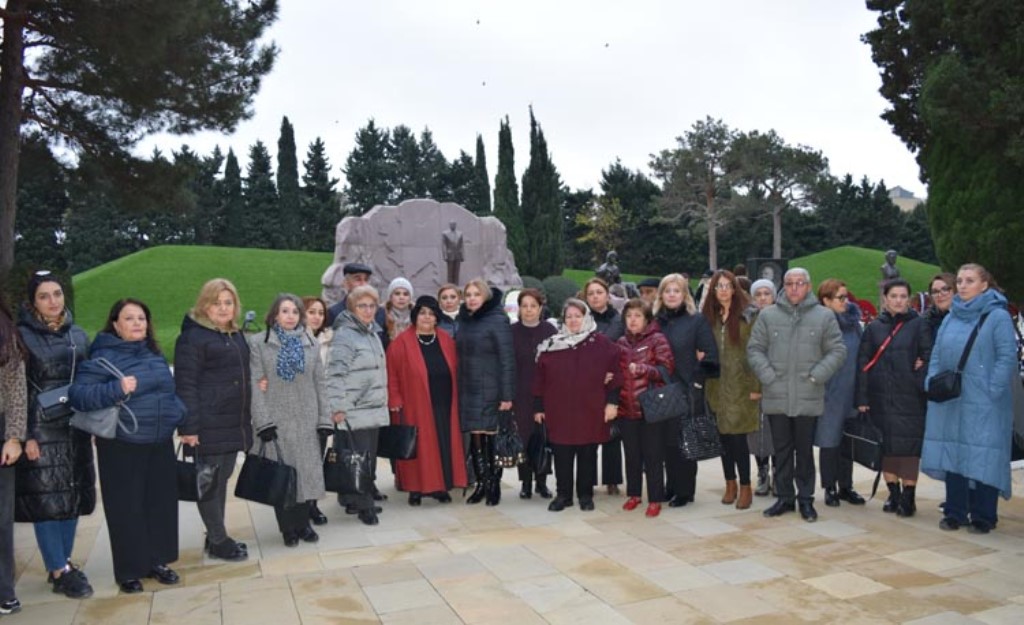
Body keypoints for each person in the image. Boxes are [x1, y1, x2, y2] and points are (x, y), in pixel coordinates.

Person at [69, 299, 185, 593]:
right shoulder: (102, 357)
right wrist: (115, 389)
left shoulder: (154, 355)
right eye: (129, 318)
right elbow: (79, 396)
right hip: (123, 444)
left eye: (142, 318)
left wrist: (178, 413)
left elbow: (169, 391)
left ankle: (157, 561)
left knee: (159, 506)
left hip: (158, 442)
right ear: (116, 325)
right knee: (126, 508)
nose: (137, 323)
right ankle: (129, 570)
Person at [15, 272, 96, 597]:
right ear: (32, 302)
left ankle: (63, 560)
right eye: (44, 296)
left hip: (73, 424)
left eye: (57, 294)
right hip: (40, 427)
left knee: (71, 494)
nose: (53, 301)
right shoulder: (21, 336)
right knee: (47, 499)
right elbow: (16, 389)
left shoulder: (77, 333)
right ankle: (58, 568)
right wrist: (25, 435)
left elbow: (88, 378)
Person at [922, 264, 1017, 534]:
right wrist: (932, 380)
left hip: (985, 401)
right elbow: (938, 354)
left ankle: (984, 515)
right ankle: (955, 511)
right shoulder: (952, 316)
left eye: (970, 281)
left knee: (984, 455)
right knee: (954, 452)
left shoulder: (997, 316)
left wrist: (992, 390)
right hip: (953, 398)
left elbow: (1006, 358)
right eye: (960, 281)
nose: (962, 285)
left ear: (984, 285)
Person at [747, 268, 845, 523]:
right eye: (789, 283)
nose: (793, 288)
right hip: (777, 395)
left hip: (808, 396)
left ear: (808, 286)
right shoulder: (768, 316)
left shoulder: (824, 316)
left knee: (804, 451)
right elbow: (755, 349)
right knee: (781, 450)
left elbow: (837, 350)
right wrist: (768, 377)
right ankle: (784, 497)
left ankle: (806, 499)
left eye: (799, 283)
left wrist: (816, 376)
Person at [174, 279, 251, 562]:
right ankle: (218, 539)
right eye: (216, 303)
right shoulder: (193, 338)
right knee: (209, 483)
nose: (222, 308)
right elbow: (185, 384)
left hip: (233, 422)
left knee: (220, 480)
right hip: (208, 424)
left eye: (228, 303)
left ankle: (216, 534)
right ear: (204, 305)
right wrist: (189, 428)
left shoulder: (234, 334)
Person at [249, 294, 332, 545]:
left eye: (295, 312)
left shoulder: (311, 343)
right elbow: (255, 383)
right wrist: (263, 422)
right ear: (275, 314)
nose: (290, 316)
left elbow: (319, 381)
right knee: (283, 474)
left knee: (306, 474)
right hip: (277, 418)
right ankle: (287, 528)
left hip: (307, 416)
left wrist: (324, 418)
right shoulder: (259, 343)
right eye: (285, 311)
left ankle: (303, 523)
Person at [534, 299, 622, 511]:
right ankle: (563, 495)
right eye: (569, 316)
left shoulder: (602, 344)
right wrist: (538, 406)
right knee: (562, 454)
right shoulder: (550, 345)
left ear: (586, 317)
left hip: (590, 408)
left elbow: (616, 374)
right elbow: (539, 379)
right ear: (563, 319)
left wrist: (612, 403)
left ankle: (585, 495)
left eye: (578, 315)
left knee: (587, 453)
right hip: (558, 409)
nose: (573, 320)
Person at [856, 278, 932, 517]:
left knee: (908, 448)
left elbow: (929, 356)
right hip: (880, 397)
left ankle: (908, 496)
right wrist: (862, 397)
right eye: (894, 296)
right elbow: (863, 364)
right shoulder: (873, 328)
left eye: (903, 296)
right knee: (887, 447)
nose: (899, 301)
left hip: (910, 397)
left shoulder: (919, 325)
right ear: (885, 299)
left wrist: (918, 373)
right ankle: (893, 492)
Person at [387, 296, 466, 505]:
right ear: (415, 316)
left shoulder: (446, 341)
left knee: (442, 444)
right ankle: (416, 488)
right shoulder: (401, 343)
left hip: (444, 402)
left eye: (431, 313)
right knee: (419, 446)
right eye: (422, 313)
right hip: (415, 403)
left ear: (437, 318)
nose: (427, 317)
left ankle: (440, 486)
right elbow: (391, 374)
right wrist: (394, 398)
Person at [654, 273, 719, 507]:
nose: (672, 295)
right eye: (667, 291)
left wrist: (696, 382)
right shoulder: (654, 322)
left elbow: (710, 356)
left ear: (685, 295)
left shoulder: (696, 320)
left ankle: (685, 490)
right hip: (659, 390)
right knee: (666, 443)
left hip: (685, 388)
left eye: (676, 291)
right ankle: (670, 486)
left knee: (684, 442)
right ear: (661, 295)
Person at [326, 285, 390, 525]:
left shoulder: (372, 332)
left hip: (372, 405)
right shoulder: (345, 335)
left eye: (372, 306)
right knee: (360, 458)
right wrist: (338, 406)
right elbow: (335, 373)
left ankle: (350, 498)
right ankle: (365, 506)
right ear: (352, 308)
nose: (367, 310)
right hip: (355, 407)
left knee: (366, 457)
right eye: (362, 306)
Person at [702, 270, 760, 510]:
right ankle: (730, 483)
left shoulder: (748, 317)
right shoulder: (708, 318)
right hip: (716, 385)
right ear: (713, 291)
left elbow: (757, 353)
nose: (723, 290)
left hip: (741, 385)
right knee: (723, 437)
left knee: (738, 439)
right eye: (719, 286)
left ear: (735, 289)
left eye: (727, 286)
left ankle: (746, 486)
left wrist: (757, 386)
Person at [456, 278, 515, 506]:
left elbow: (507, 360)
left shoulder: (497, 320)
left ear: (485, 297)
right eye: (468, 294)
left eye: (476, 294)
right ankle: (481, 483)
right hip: (468, 388)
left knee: (490, 439)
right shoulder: (466, 320)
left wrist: (507, 395)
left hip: (491, 389)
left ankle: (493, 485)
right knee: (476, 437)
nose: (471, 298)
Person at [616, 298, 674, 517]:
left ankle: (655, 498)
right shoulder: (620, 342)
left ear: (647, 319)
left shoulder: (657, 339)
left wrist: (642, 369)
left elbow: (666, 370)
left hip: (650, 408)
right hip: (626, 408)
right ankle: (634, 495)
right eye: (629, 316)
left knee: (653, 456)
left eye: (638, 316)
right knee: (631, 455)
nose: (633, 320)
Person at [816, 279, 866, 507]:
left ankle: (846, 486)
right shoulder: (819, 326)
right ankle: (829, 487)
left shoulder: (855, 324)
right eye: (840, 298)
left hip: (851, 390)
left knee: (848, 441)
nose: (846, 302)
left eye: (847, 297)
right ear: (826, 301)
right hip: (828, 392)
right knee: (829, 441)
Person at [511, 289, 557, 499]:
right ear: (519, 309)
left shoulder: (550, 330)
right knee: (525, 436)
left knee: (543, 437)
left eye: (533, 306)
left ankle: (542, 481)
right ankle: (526, 482)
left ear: (540, 308)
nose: (528, 310)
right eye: (524, 306)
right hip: (520, 393)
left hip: (546, 393)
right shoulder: (511, 331)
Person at [582, 278, 625, 496]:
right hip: (586, 383)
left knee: (611, 434)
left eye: (599, 292)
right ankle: (587, 479)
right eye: (591, 293)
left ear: (607, 295)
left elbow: (607, 345)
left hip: (611, 381)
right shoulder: (582, 319)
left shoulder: (618, 320)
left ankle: (612, 479)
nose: (595, 296)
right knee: (587, 433)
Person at [0, 296, 27, 616]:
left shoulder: (5, 332)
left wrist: (15, 436)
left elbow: (16, 388)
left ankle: (3, 589)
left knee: (2, 520)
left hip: (3, 430)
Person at [302, 295, 334, 526]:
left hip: (322, 410)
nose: (316, 317)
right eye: (311, 312)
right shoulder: (291, 341)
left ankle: (312, 504)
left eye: (320, 313)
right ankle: (299, 506)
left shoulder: (329, 341)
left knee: (317, 459)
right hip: (298, 410)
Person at [747, 279, 776, 496]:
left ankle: (778, 470)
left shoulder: (782, 319)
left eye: (767, 293)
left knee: (777, 429)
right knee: (756, 431)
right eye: (758, 294)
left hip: (778, 382)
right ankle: (762, 470)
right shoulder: (747, 320)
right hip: (754, 382)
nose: (763, 298)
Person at [325, 262, 386, 329]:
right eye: (358, 279)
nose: (363, 284)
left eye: (366, 279)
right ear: (346, 283)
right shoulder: (334, 313)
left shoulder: (380, 313)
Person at [924, 273, 956, 340]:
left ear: (955, 291)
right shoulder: (925, 320)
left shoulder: (967, 320)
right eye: (935, 291)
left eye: (945, 289)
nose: (939, 295)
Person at [384, 277, 414, 345]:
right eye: (397, 294)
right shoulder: (382, 317)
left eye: (405, 294)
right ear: (390, 297)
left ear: (410, 298)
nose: (401, 297)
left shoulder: (416, 318)